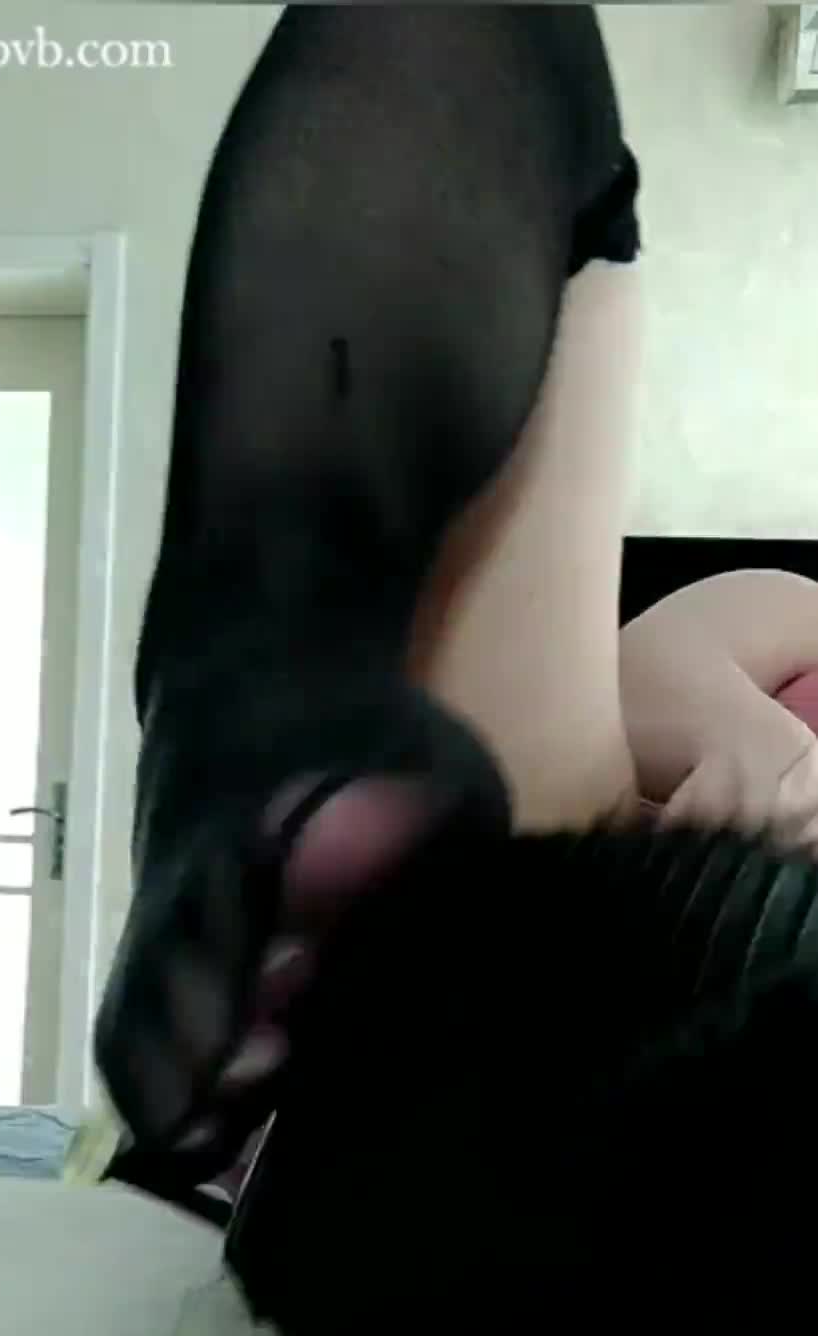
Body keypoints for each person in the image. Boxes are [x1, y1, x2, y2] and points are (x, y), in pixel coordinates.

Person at [95, 4, 818, 1212]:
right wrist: (762, 748)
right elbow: (647, 665)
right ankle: (256, 749)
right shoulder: (804, 606)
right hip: (547, 930)